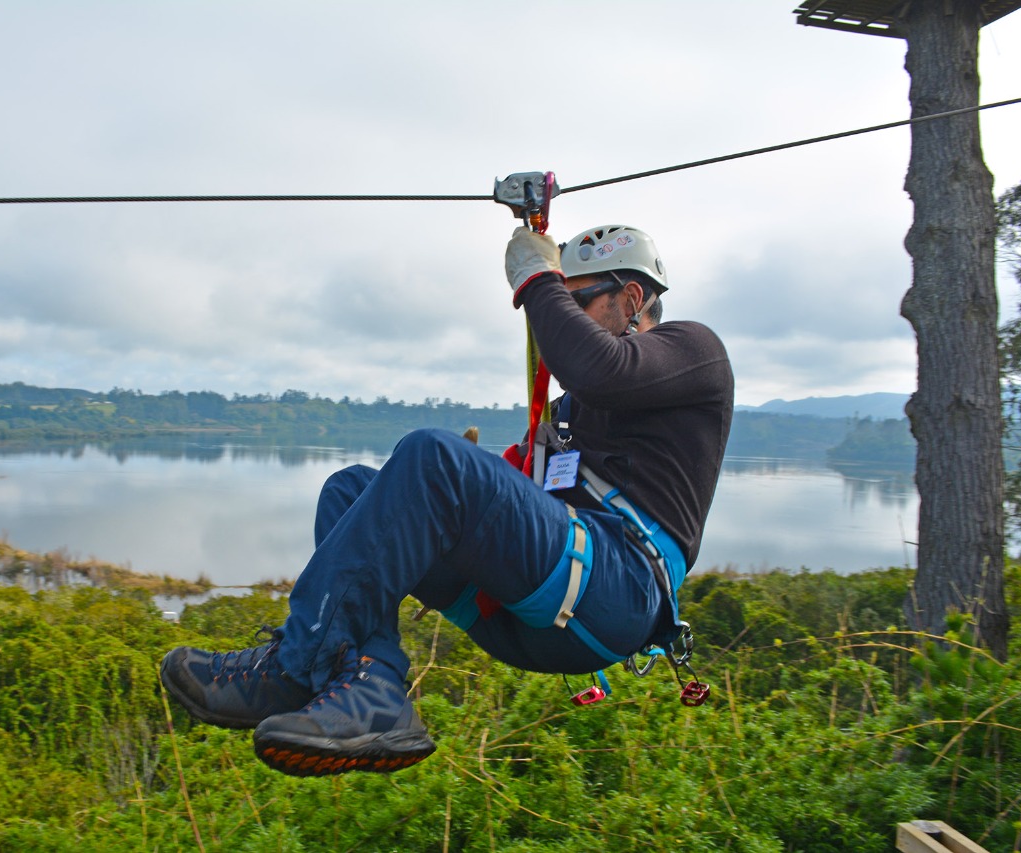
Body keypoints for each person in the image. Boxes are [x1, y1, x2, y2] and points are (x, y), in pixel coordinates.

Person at [161, 224, 734, 777]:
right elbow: (547, 477)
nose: (562, 318)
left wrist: (537, 279)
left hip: (617, 588)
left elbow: (596, 368)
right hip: (534, 611)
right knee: (353, 491)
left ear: (631, 298)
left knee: (431, 458)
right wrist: (471, 485)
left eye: (576, 301)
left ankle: (293, 666)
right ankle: (371, 683)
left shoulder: (693, 350)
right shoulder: (576, 411)